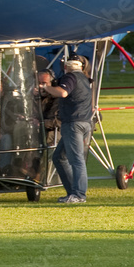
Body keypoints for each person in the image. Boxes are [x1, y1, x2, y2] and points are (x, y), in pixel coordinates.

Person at [39, 57, 93, 204]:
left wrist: (45, 87)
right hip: (84, 122)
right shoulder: (84, 78)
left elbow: (62, 93)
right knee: (58, 157)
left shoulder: (70, 77)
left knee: (76, 160)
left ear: (67, 66)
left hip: (73, 123)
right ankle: (72, 192)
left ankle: (79, 195)